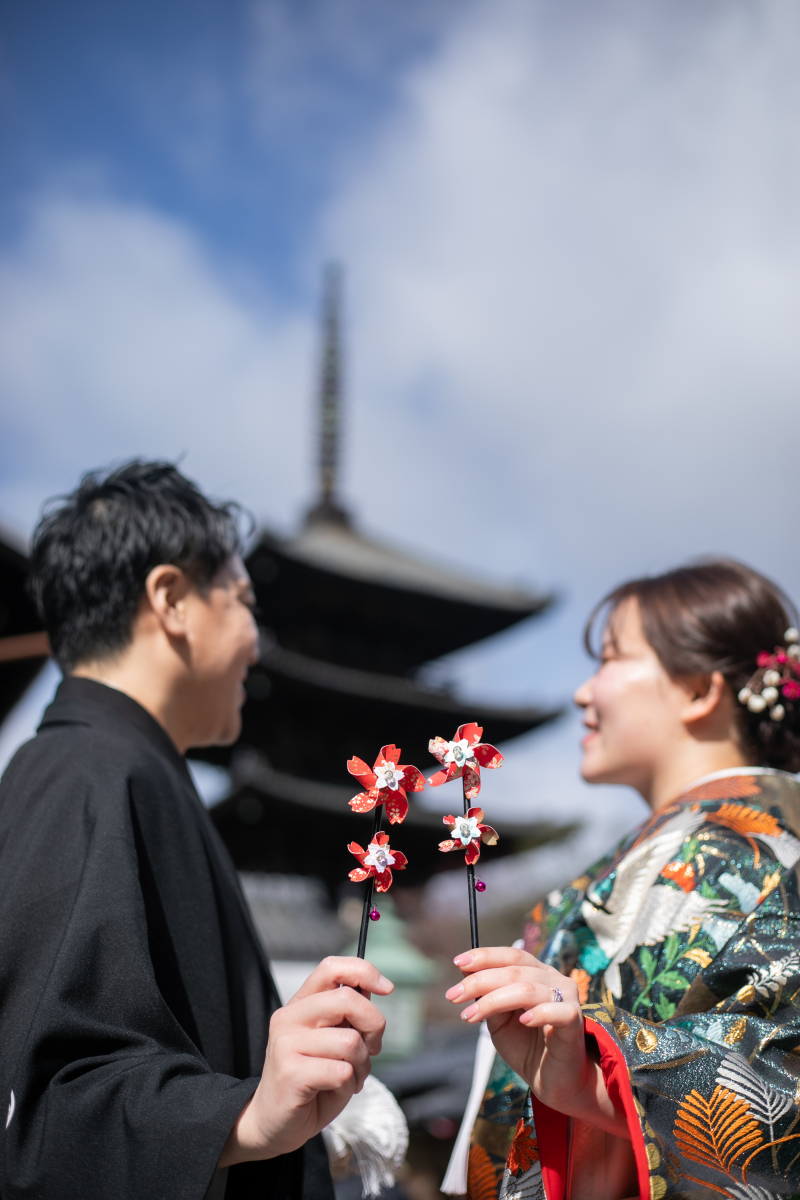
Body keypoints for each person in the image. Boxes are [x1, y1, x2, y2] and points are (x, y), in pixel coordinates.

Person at [0, 461, 393, 1200]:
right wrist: (242, 1115)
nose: (256, 638)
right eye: (244, 601)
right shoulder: (83, 771)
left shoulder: (126, 771)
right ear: (172, 598)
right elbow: (43, 1101)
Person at [448, 561, 800, 1200]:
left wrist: (597, 1076)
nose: (584, 693)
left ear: (698, 690)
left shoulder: (754, 846)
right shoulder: (687, 844)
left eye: (611, 658)